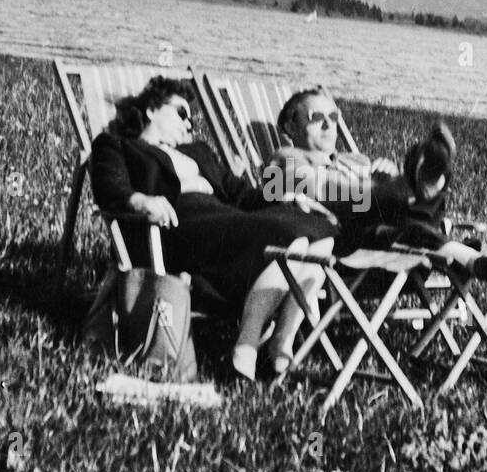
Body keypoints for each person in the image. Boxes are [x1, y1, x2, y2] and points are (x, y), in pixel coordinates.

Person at [90, 77, 335, 380]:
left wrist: (285, 196)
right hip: (184, 226)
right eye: (181, 113)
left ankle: (281, 339)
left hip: (227, 220)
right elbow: (108, 186)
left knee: (321, 233)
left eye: (191, 119)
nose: (188, 123)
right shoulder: (120, 145)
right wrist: (140, 199)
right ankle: (247, 342)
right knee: (292, 237)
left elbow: (240, 194)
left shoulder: (198, 151)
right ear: (153, 109)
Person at [264, 89, 487, 298]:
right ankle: (427, 184)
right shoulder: (285, 157)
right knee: (406, 208)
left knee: (410, 215)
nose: (329, 124)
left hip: (385, 239)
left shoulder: (356, 160)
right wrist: (375, 190)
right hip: (337, 242)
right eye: (316, 117)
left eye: (334, 116)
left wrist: (385, 177)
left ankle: (485, 258)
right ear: (290, 126)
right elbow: (299, 187)